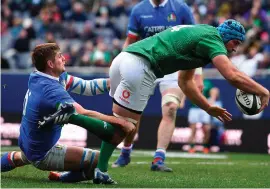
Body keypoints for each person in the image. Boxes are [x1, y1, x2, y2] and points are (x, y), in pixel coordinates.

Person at [106, 19, 269, 178]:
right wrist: (264, 91)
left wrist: (207, 107)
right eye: (235, 43)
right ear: (227, 37)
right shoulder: (213, 39)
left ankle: (102, 161)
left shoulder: (203, 36)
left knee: (120, 120)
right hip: (141, 66)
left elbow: (184, 82)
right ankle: (95, 158)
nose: (235, 49)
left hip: (126, 58)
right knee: (125, 125)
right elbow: (232, 75)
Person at [1, 43, 134, 184]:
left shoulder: (41, 76)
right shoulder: (50, 89)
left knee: (20, 157)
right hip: (44, 152)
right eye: (60, 56)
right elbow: (83, 113)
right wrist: (120, 121)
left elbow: (86, 87)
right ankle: (61, 177)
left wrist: (113, 82)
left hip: (29, 142)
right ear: (50, 64)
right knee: (97, 160)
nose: (64, 58)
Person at [112, 0, 204, 172]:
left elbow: (196, 41)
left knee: (170, 107)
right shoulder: (139, 10)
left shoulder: (181, 8)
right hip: (144, 65)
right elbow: (130, 41)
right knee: (133, 115)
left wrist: (197, 73)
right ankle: (126, 151)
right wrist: (120, 65)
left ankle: (159, 159)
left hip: (173, 67)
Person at [187, 80, 218, 154]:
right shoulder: (191, 81)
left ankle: (205, 146)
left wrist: (212, 98)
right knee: (193, 129)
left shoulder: (207, 82)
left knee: (207, 129)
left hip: (204, 108)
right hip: (194, 108)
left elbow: (214, 90)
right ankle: (191, 147)